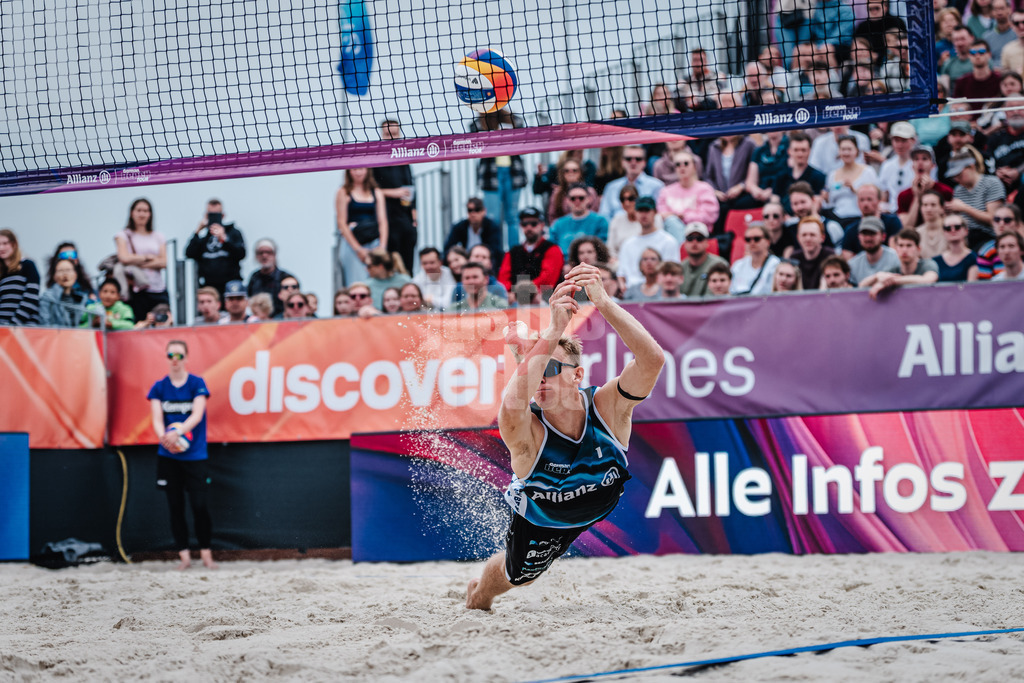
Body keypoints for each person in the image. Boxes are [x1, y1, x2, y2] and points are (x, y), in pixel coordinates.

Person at [464, 265, 664, 611]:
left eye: (551, 368)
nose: (541, 378)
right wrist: (555, 328)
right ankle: (479, 596)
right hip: (542, 517)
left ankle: (526, 349)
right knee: (520, 576)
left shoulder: (606, 407)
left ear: (577, 376)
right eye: (536, 370)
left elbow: (652, 360)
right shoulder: (527, 429)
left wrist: (602, 302)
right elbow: (512, 404)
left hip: (596, 504)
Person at [148, 340, 215, 571]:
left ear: (186, 357)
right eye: (170, 355)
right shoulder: (159, 387)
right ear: (166, 358)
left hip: (195, 456)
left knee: (199, 506)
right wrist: (165, 438)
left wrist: (177, 433)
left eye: (179, 355)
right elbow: (157, 419)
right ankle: (184, 557)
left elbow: (197, 415)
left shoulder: (197, 383)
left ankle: (206, 554)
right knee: (175, 506)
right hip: (169, 456)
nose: (174, 359)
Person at [469, 109, 528, 248]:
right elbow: (473, 130)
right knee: (493, 218)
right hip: (490, 175)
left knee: (512, 217)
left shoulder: (510, 119)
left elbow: (520, 123)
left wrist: (502, 114)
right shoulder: (481, 124)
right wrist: (486, 115)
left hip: (512, 173)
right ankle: (496, 251)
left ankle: (514, 252)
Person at [373, 119, 418, 274]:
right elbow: (370, 190)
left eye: (394, 133)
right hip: (386, 218)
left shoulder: (404, 158)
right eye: (388, 134)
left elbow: (411, 187)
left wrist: (414, 213)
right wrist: (394, 192)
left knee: (408, 264)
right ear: (382, 135)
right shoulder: (375, 158)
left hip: (405, 217)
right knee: (391, 263)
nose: (391, 137)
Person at [116, 198, 168, 322]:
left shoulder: (158, 236)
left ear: (150, 214)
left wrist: (136, 261)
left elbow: (163, 262)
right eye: (139, 210)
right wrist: (147, 258)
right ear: (132, 213)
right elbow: (123, 258)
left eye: (145, 211)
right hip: (136, 289)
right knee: (139, 323)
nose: (142, 214)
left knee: (162, 322)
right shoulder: (123, 235)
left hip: (157, 288)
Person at [497, 208, 564, 302]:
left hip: (543, 298)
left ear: (542, 225)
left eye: (533, 223)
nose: (529, 227)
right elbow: (503, 278)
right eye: (525, 224)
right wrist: (513, 294)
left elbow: (548, 279)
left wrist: (523, 292)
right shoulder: (512, 252)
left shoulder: (552, 249)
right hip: (514, 299)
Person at [336, 167, 389, 286]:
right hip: (353, 243)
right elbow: (342, 223)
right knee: (356, 282)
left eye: (361, 169)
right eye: (354, 169)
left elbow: (383, 221)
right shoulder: (343, 192)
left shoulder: (376, 192)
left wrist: (382, 247)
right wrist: (358, 249)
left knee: (378, 281)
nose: (358, 172)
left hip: (374, 241)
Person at [185, 199, 246, 301]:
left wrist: (225, 239)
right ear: (206, 216)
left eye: (216, 215)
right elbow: (189, 254)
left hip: (231, 286)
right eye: (210, 215)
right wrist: (197, 231)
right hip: (209, 287)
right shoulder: (203, 237)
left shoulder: (233, 233)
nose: (213, 218)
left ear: (223, 216)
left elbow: (241, 254)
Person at [946, 150, 1005, 249]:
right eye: (954, 176)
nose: (956, 179)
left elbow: (993, 219)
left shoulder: (992, 183)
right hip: (963, 237)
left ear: (971, 167)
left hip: (987, 237)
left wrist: (964, 208)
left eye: (959, 174)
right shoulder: (958, 190)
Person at [616, 197, 681, 288]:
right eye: (640, 210)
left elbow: (672, 272)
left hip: (659, 290)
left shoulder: (669, 241)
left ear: (655, 212)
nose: (643, 214)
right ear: (635, 213)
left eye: (647, 210)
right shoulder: (627, 244)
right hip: (631, 291)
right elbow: (621, 275)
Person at [858, 228, 940, 299]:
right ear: (896, 249)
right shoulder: (892, 270)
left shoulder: (927, 264)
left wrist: (891, 281)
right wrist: (877, 276)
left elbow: (928, 280)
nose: (904, 250)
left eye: (909, 245)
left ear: (918, 249)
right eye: (901, 245)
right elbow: (861, 286)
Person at [656, 150, 719, 237]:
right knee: (671, 222)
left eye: (686, 163)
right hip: (671, 232)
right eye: (678, 164)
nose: (682, 167)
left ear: (694, 167)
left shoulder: (705, 188)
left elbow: (709, 216)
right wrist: (676, 217)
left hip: (697, 234)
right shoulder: (666, 191)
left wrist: (683, 216)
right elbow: (660, 215)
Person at [705, 135, 757, 231]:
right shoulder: (714, 147)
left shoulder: (748, 144)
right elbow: (708, 176)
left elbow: (754, 171)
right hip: (721, 195)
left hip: (742, 194)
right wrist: (715, 191)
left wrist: (741, 186)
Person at [823, 136, 881, 221]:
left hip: (860, 216)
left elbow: (877, 196)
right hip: (837, 216)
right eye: (843, 149)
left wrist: (854, 190)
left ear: (856, 151)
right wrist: (826, 198)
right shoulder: (832, 174)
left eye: (849, 149)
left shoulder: (868, 171)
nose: (846, 153)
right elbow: (830, 203)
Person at [599, 146, 665, 219]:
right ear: (622, 162)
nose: (633, 162)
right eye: (628, 159)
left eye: (638, 159)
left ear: (644, 162)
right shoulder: (611, 187)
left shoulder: (657, 186)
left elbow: (659, 215)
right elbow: (604, 216)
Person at [897, 145, 953, 229]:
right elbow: (906, 227)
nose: (920, 163)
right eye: (916, 159)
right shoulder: (903, 195)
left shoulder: (945, 191)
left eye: (924, 159)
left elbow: (948, 224)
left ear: (933, 165)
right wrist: (917, 197)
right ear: (912, 166)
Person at [443, 198, 504, 274]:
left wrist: (481, 258)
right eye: (470, 210)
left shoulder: (492, 227)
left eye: (477, 210)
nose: (473, 213)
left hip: (485, 263)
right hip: (466, 263)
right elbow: (448, 249)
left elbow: (495, 252)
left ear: (484, 211)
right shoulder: (459, 227)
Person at [549, 183, 609, 253]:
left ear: (589, 199)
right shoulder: (558, 224)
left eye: (581, 198)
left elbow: (602, 248)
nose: (577, 201)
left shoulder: (600, 221)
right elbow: (552, 248)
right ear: (567, 200)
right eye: (573, 198)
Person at [0, 229, 41, 326]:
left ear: (14, 244)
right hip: (3, 329)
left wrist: (13, 324)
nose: (1, 247)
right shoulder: (2, 273)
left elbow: (31, 298)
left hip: (25, 328)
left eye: (5, 243)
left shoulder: (28, 265)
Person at [246, 239, 295, 318]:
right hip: (259, 320)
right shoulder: (254, 278)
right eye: (261, 253)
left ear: (274, 255)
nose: (264, 255)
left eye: (268, 252)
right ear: (256, 256)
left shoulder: (285, 277)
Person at [39, 257, 93, 327]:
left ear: (75, 275)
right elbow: (44, 324)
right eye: (60, 270)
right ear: (54, 276)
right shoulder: (47, 298)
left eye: (68, 270)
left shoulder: (81, 299)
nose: (65, 274)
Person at [679, 222, 728, 297]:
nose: (694, 242)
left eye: (699, 238)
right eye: (690, 238)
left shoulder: (720, 265)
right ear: (685, 243)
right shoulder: (680, 268)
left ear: (707, 242)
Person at [729, 223, 780, 295]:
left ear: (767, 241)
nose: (752, 242)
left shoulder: (776, 265)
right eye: (748, 239)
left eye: (757, 239)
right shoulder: (738, 265)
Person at [847, 216, 901, 284]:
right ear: (859, 237)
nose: (868, 238)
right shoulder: (853, 265)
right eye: (864, 234)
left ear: (883, 236)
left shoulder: (896, 258)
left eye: (872, 233)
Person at [877, 122, 918, 209]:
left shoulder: (919, 165)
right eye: (896, 140)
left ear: (913, 141)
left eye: (904, 141)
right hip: (891, 211)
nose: (899, 145)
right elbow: (884, 195)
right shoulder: (887, 165)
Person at [546, 159, 600, 223]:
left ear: (580, 173)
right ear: (562, 174)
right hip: (563, 228)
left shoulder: (590, 192)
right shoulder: (557, 193)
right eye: (566, 171)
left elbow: (595, 213)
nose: (571, 173)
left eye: (574, 170)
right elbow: (552, 216)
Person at [954, 39, 1002, 110]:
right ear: (969, 56)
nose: (977, 56)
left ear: (989, 54)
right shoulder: (961, 83)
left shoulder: (1000, 80)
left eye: (981, 52)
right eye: (973, 52)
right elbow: (955, 107)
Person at [790, 217, 835, 288]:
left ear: (822, 237)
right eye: (804, 235)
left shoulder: (830, 257)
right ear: (798, 238)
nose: (808, 239)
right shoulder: (794, 258)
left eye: (812, 235)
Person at [935, 215, 981, 281]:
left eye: (957, 227)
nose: (953, 230)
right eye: (948, 228)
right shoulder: (936, 261)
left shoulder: (974, 258)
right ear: (943, 232)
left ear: (966, 231)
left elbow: (971, 285)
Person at [915, 190, 950, 259]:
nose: (928, 209)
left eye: (933, 205)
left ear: (942, 208)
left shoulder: (952, 229)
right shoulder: (917, 233)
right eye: (925, 205)